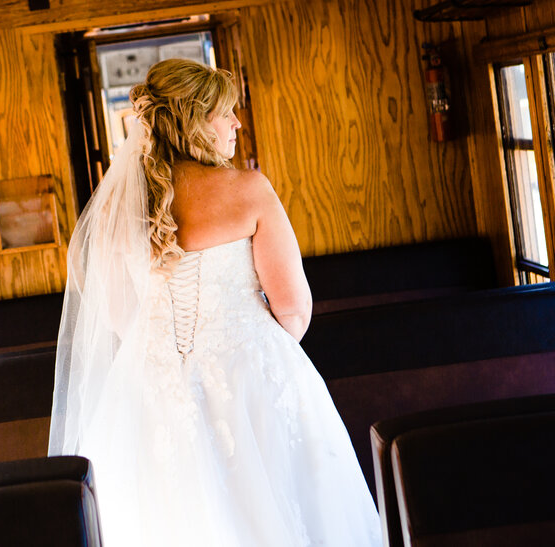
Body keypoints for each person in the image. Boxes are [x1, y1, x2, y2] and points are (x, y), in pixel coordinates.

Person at [49, 58, 381, 546]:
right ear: (195, 120)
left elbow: (116, 311)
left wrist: (160, 343)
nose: (236, 123)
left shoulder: (121, 204)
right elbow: (292, 307)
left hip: (147, 385)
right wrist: (252, 346)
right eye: (226, 113)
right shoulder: (249, 190)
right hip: (250, 376)